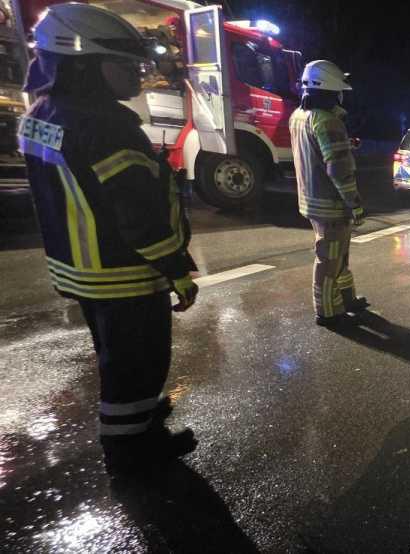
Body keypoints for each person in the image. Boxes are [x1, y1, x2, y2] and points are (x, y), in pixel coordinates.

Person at [21, 3, 198, 472]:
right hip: (122, 271)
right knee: (138, 362)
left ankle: (137, 417)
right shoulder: (107, 127)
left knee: (116, 357)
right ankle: (132, 451)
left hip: (78, 268)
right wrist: (177, 269)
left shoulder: (42, 112)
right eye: (126, 65)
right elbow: (138, 216)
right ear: (86, 64)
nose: (137, 76)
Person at [290, 59, 368, 326]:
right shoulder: (327, 121)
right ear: (329, 89)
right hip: (330, 205)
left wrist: (345, 144)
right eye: (338, 90)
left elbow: (316, 152)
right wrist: (355, 203)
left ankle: (346, 298)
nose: (341, 95)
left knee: (338, 255)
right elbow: (338, 170)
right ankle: (328, 312)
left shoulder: (299, 116)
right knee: (329, 260)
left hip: (312, 200)